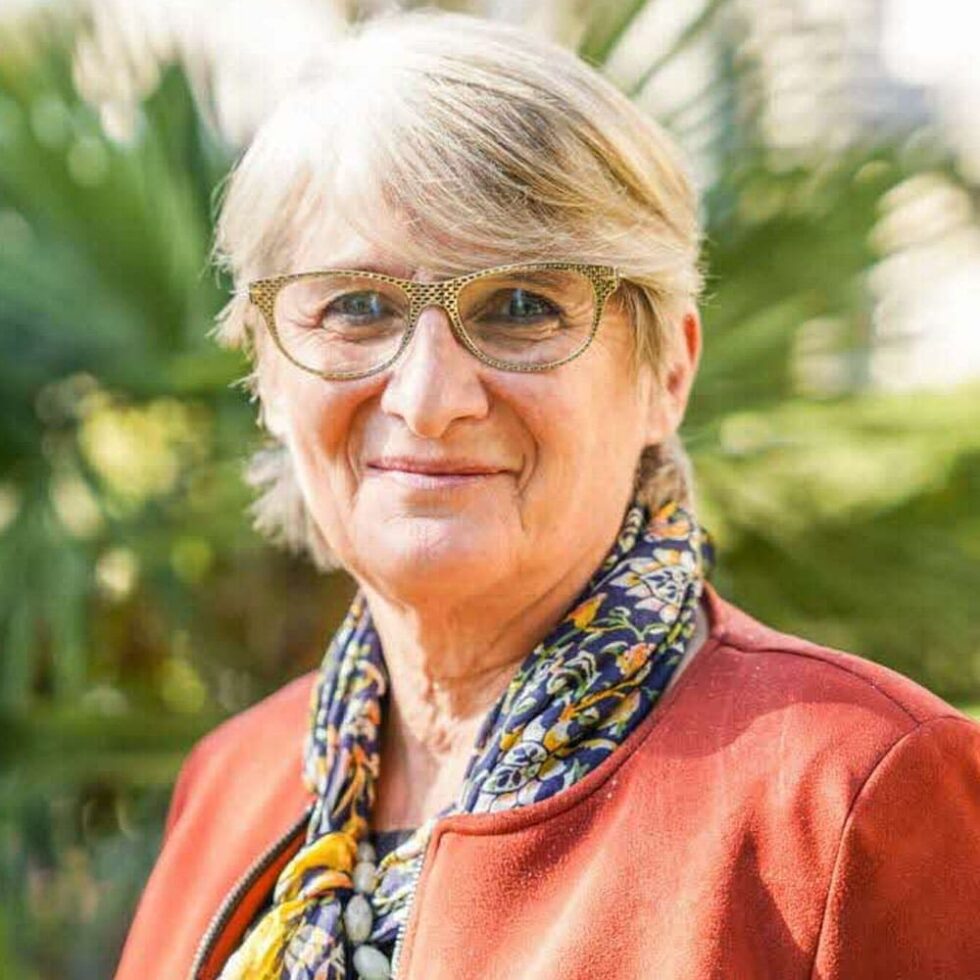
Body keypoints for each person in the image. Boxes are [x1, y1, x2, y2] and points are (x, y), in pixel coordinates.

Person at [115, 10, 980, 980]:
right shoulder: (232, 780)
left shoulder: (849, 795)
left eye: (521, 306)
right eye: (356, 306)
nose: (428, 397)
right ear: (270, 373)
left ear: (666, 370)